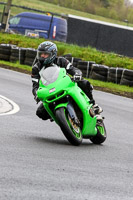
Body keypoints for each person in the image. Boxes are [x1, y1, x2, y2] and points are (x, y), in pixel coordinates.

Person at [31, 41, 102, 120]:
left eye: (45, 54)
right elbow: (35, 85)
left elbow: (73, 69)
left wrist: (77, 74)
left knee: (84, 83)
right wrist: (36, 94)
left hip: (66, 86)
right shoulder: (36, 68)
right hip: (50, 91)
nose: (42, 56)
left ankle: (93, 106)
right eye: (41, 54)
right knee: (40, 112)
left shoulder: (61, 61)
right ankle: (60, 116)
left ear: (52, 54)